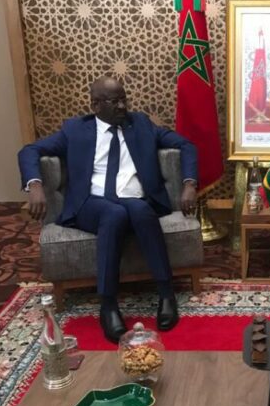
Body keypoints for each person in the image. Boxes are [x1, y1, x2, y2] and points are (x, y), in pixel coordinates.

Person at [18, 76, 198, 342]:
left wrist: (189, 184)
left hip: (135, 198)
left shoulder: (141, 124)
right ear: (96, 105)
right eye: (114, 101)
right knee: (114, 214)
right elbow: (29, 150)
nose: (122, 106)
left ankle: (166, 294)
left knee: (140, 211)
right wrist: (34, 185)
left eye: (124, 99)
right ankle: (109, 305)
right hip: (91, 203)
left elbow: (186, 145)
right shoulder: (75, 130)